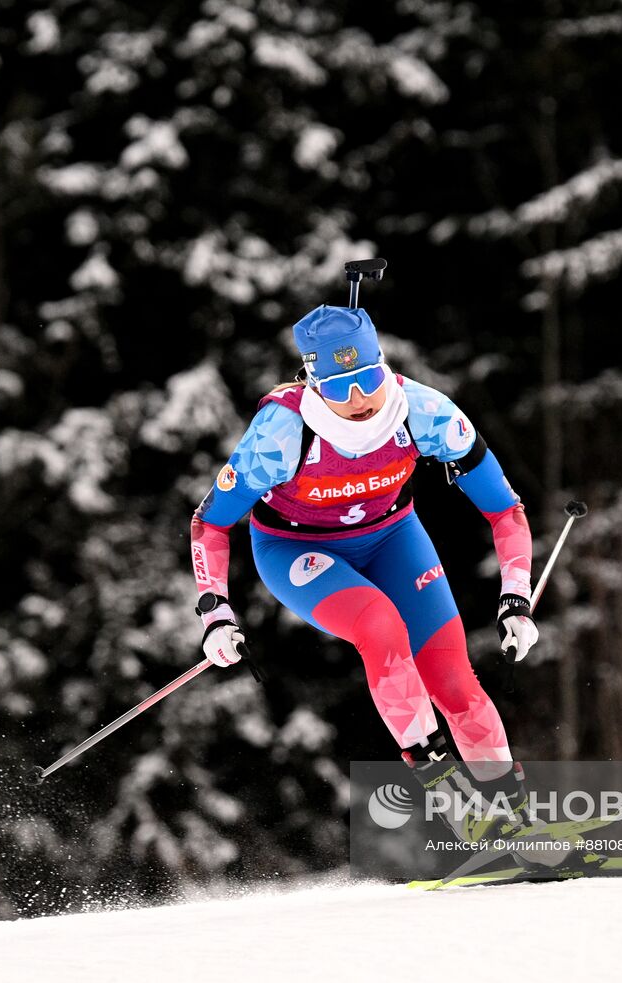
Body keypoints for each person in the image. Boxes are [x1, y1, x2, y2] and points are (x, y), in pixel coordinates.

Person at [188, 304, 544, 845]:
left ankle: (515, 823)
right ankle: (458, 809)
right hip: (295, 550)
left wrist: (515, 598)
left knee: (455, 684)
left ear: (384, 365)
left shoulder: (426, 412)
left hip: (393, 537)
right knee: (379, 625)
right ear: (312, 381)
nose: (357, 400)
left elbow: (504, 510)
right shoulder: (280, 432)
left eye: (368, 379)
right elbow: (209, 522)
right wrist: (216, 612)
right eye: (338, 387)